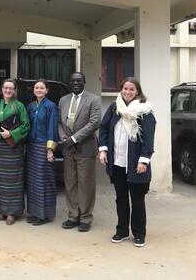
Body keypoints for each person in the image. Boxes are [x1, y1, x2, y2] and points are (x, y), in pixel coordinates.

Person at [98, 77, 156, 248]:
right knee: (121, 198)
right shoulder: (115, 107)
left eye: (132, 89)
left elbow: (149, 138)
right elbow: (104, 128)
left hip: (136, 163)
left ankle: (139, 233)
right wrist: (103, 149)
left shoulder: (145, 111)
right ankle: (122, 230)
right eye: (125, 89)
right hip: (118, 162)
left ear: (137, 91)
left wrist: (144, 160)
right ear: (121, 89)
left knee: (137, 199)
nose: (128, 92)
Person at [58, 72, 101, 232]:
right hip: (68, 149)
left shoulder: (94, 99)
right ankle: (73, 216)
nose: (76, 83)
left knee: (86, 184)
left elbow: (94, 122)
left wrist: (74, 139)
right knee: (70, 183)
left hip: (85, 147)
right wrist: (64, 138)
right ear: (69, 83)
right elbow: (59, 122)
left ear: (84, 82)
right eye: (73, 81)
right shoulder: (63, 100)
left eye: (79, 80)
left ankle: (85, 218)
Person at [0, 78, 30, 225]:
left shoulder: (19, 106)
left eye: (11, 88)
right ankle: (1, 210)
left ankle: (12, 212)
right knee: (0, 179)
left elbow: (26, 125)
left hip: (14, 147)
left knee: (14, 180)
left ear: (14, 90)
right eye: (5, 88)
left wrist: (11, 134)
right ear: (2, 89)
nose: (8, 90)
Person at [26, 79, 59, 226]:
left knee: (44, 180)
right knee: (33, 181)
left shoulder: (51, 106)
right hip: (31, 146)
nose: (39, 90)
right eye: (36, 87)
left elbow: (52, 128)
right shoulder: (31, 106)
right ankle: (34, 212)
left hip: (43, 147)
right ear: (33, 90)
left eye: (42, 88)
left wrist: (50, 150)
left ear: (47, 90)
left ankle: (44, 215)